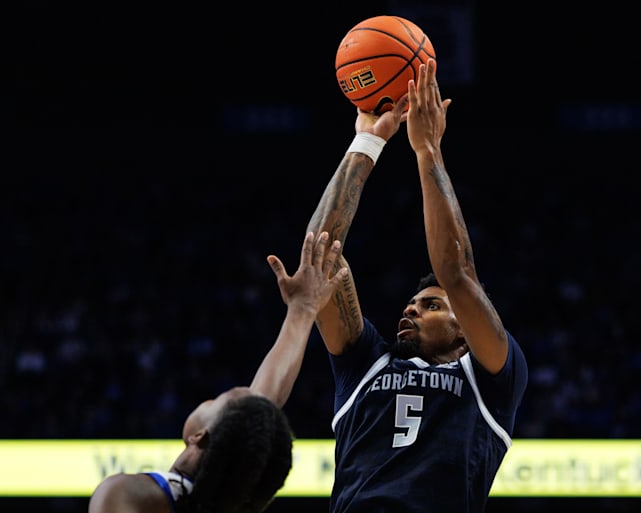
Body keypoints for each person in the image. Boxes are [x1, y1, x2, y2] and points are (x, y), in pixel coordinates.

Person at [305, 58, 529, 513]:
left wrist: (428, 150)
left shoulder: (491, 381)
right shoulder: (364, 364)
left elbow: (456, 272)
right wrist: (367, 138)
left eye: (430, 306)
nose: (409, 310)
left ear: (464, 330)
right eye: (412, 303)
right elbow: (320, 259)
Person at [88, 231, 348, 513]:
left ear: (200, 436)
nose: (211, 399)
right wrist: (303, 309)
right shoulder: (229, 492)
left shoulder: (129, 496)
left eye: (219, 399)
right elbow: (259, 410)